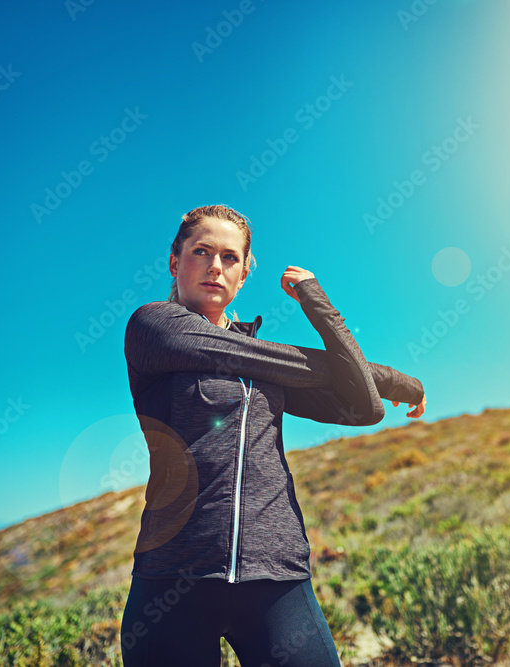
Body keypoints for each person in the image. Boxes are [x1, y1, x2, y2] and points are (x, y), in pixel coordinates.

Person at [119, 204, 426, 666]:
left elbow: (364, 409)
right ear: (174, 262)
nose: (214, 266)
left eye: (229, 257)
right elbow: (293, 364)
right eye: (201, 251)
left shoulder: (265, 365)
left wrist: (317, 305)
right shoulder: (153, 326)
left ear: (244, 272)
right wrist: (400, 381)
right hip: (173, 576)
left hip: (275, 572)